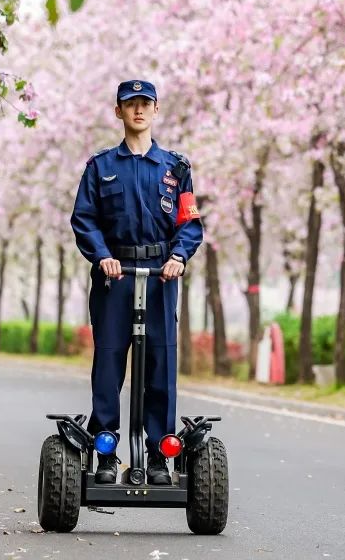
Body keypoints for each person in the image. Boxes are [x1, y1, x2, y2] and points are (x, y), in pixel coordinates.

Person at [70, 79, 203, 485]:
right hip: (116, 277)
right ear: (119, 112)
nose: (138, 110)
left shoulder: (175, 168)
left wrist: (179, 257)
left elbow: (190, 223)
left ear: (156, 110)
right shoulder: (101, 167)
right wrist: (103, 257)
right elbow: (84, 219)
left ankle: (159, 454)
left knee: (160, 365)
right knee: (109, 364)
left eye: (145, 104)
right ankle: (106, 448)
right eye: (130, 104)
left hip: (162, 277)